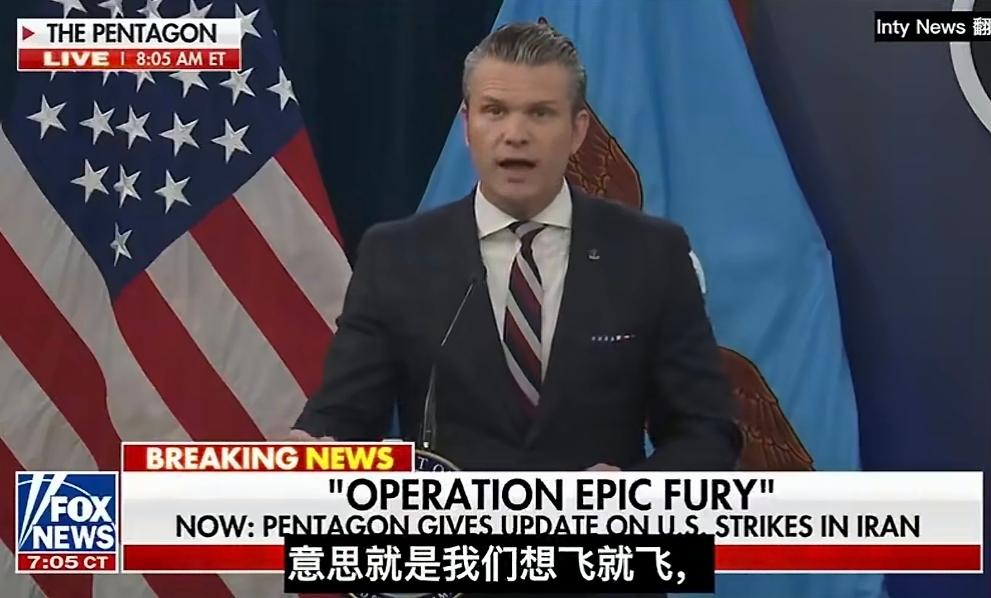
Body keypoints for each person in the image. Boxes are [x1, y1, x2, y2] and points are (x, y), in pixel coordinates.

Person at [290, 22, 741, 472]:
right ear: (467, 126)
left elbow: (706, 433)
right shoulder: (396, 256)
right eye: (495, 111)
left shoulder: (651, 254)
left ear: (578, 130)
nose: (515, 134)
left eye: (540, 113)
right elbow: (342, 419)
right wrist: (309, 449)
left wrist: (627, 490)